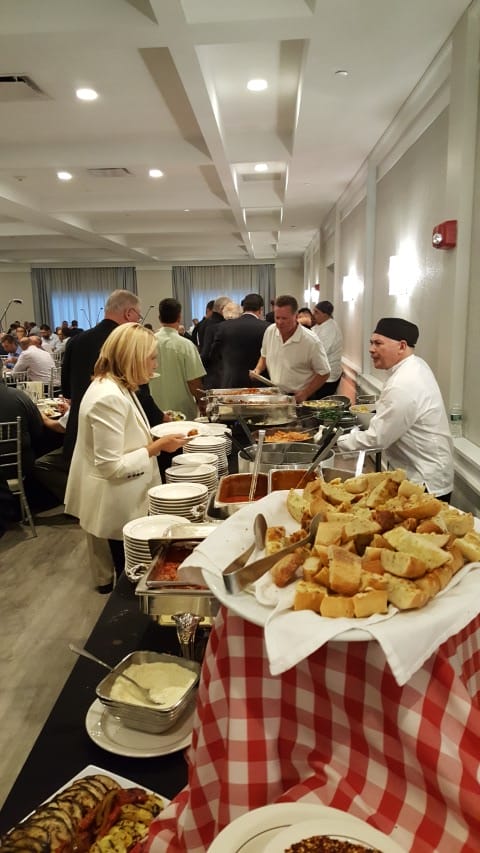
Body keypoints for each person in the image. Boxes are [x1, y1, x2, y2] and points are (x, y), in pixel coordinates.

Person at [65, 324, 189, 593]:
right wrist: (156, 447)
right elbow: (111, 466)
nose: (155, 364)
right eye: (152, 358)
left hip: (126, 495)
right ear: (133, 358)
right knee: (131, 578)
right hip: (118, 501)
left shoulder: (118, 386)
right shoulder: (107, 397)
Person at [337, 317, 454, 499]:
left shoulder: (404, 383)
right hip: (422, 473)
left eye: (378, 343)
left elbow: (378, 438)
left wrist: (337, 442)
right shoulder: (414, 365)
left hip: (425, 482)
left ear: (402, 346)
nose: (371, 349)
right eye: (371, 342)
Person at [61, 289, 167, 463]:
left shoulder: (76, 340)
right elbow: (140, 394)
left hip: (78, 434)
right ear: (129, 313)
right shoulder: (128, 344)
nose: (154, 365)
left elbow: (67, 391)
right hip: (118, 438)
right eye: (138, 317)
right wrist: (160, 422)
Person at [252, 295, 330, 404]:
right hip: (276, 393)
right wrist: (258, 370)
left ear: (296, 316)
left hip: (300, 397)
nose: (280, 322)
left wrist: (306, 393)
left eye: (284, 318)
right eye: (277, 318)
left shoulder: (311, 341)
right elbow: (264, 355)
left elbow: (324, 372)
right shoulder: (270, 331)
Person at [149, 298, 206, 420]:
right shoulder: (186, 345)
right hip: (182, 411)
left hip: (154, 409)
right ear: (179, 317)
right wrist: (202, 402)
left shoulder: (148, 342)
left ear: (159, 318)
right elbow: (194, 381)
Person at [209, 292, 269, 388]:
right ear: (261, 309)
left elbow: (214, 354)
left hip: (231, 382)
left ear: (243, 308)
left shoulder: (224, 327)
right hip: (259, 383)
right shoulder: (267, 327)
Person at [312, 300, 344, 397]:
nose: (313, 314)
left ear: (325, 314)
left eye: (316, 312)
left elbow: (321, 352)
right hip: (319, 373)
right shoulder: (320, 325)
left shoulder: (330, 329)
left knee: (320, 401)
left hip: (328, 377)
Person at [200, 296, 231, 389]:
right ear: (222, 309)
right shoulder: (220, 326)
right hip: (218, 375)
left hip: (207, 373)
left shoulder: (203, 323)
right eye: (229, 309)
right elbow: (207, 353)